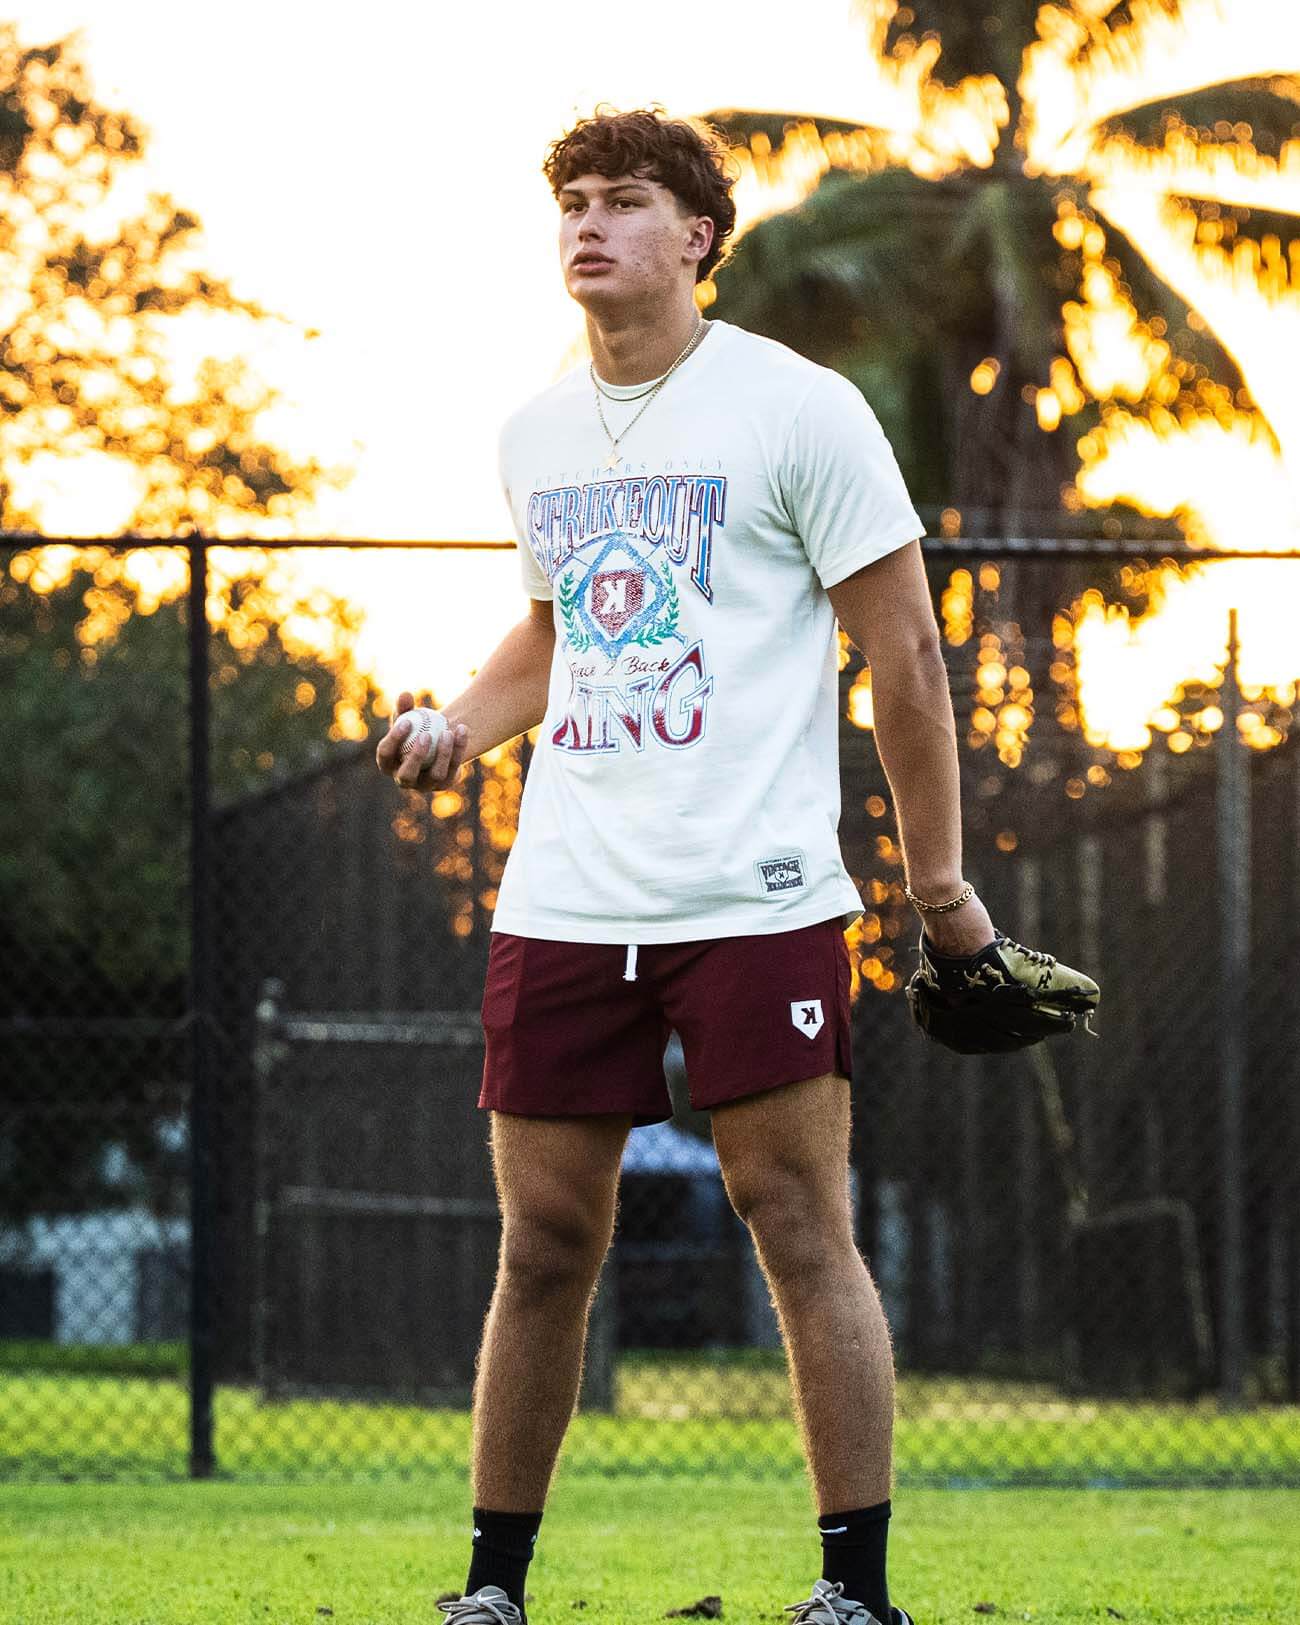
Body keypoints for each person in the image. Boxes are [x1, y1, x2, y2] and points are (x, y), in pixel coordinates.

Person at [376, 105, 999, 1625]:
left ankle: (853, 1588)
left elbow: (905, 649)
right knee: (545, 1244)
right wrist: (460, 718)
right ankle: (491, 1589)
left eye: (626, 203)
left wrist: (942, 894)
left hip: (758, 896)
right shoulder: (533, 432)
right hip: (568, 897)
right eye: (572, 204)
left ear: (699, 237)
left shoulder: (799, 411)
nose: (589, 227)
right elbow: (556, 631)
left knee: (796, 1221)